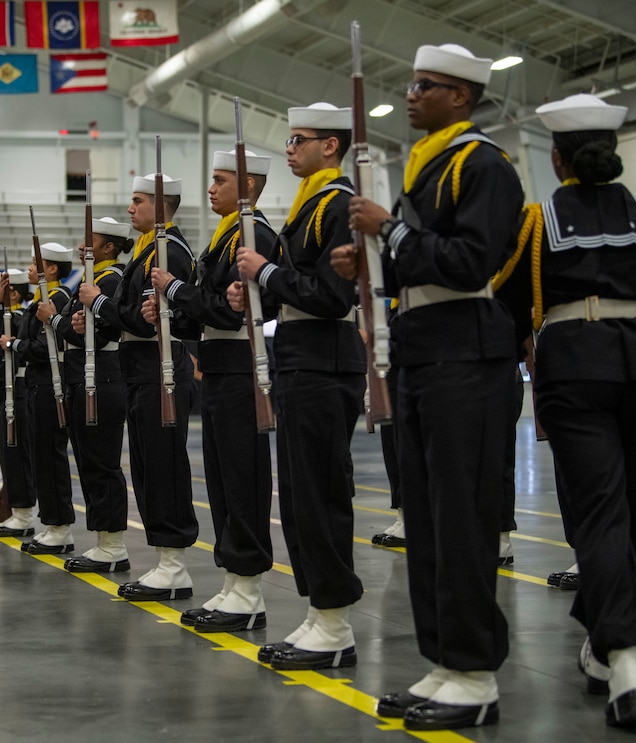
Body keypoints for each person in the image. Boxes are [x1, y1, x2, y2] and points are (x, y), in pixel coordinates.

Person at [496, 94, 636, 728]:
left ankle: (625, 656)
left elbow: (507, 306)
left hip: (570, 368)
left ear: (558, 159)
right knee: (624, 503)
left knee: (595, 508)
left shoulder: (535, 223)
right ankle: (600, 640)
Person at [341, 45, 523, 730]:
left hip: (465, 350)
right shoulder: (430, 164)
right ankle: (445, 658)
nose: (411, 95)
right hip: (422, 349)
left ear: (461, 97)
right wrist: (369, 250)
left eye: (426, 86)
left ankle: (474, 670)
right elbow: (422, 253)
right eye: (410, 84)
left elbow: (469, 258)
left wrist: (388, 228)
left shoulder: (482, 165)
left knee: (462, 515)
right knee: (424, 517)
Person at [231, 102, 364, 670]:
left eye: (299, 139)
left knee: (320, 493)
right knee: (303, 495)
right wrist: (255, 299)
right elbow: (296, 285)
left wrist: (265, 274)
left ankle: (335, 622)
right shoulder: (309, 203)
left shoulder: (338, 206)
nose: (289, 149)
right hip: (300, 355)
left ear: (330, 146)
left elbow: (333, 295)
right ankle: (320, 615)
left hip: (325, 358)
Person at [151, 149, 276, 632]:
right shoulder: (224, 237)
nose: (211, 187)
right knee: (223, 479)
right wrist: (176, 305)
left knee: (243, 477)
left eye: (221, 180)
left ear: (248, 185)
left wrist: (177, 291)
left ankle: (249, 588)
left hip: (242, 363)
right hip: (219, 365)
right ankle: (233, 581)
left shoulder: (253, 233)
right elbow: (207, 307)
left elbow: (227, 312)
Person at [76, 173, 199, 600]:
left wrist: (100, 303)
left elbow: (143, 319)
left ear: (162, 204)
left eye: (139, 200)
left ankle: (174, 563)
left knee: (163, 466)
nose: (131, 208)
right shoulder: (148, 250)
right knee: (147, 466)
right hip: (140, 368)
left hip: (158, 364)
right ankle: (165, 559)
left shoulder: (169, 252)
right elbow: (132, 313)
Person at [58, 217, 134, 573]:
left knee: (102, 462)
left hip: (101, 378)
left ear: (108, 248)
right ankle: (104, 539)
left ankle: (113, 543)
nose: (80, 247)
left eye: (90, 242)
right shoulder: (92, 280)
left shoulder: (111, 280)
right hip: (83, 378)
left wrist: (64, 324)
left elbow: (98, 335)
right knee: (89, 461)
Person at [0, 242, 76, 554]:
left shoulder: (56, 298)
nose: (30, 268)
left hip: (49, 385)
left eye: (36, 263)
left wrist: (16, 345)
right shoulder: (41, 299)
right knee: (40, 457)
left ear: (53, 269)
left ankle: (60, 527)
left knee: (49, 456)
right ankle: (52, 523)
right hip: (36, 384)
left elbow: (47, 348)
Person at [0, 268, 36, 533]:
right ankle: (17, 511)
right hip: (8, 394)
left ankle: (22, 514)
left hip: (20, 394)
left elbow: (10, 361)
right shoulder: (12, 318)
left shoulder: (19, 319)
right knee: (8, 455)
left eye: (1, 288)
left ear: (13, 292)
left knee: (17, 455)